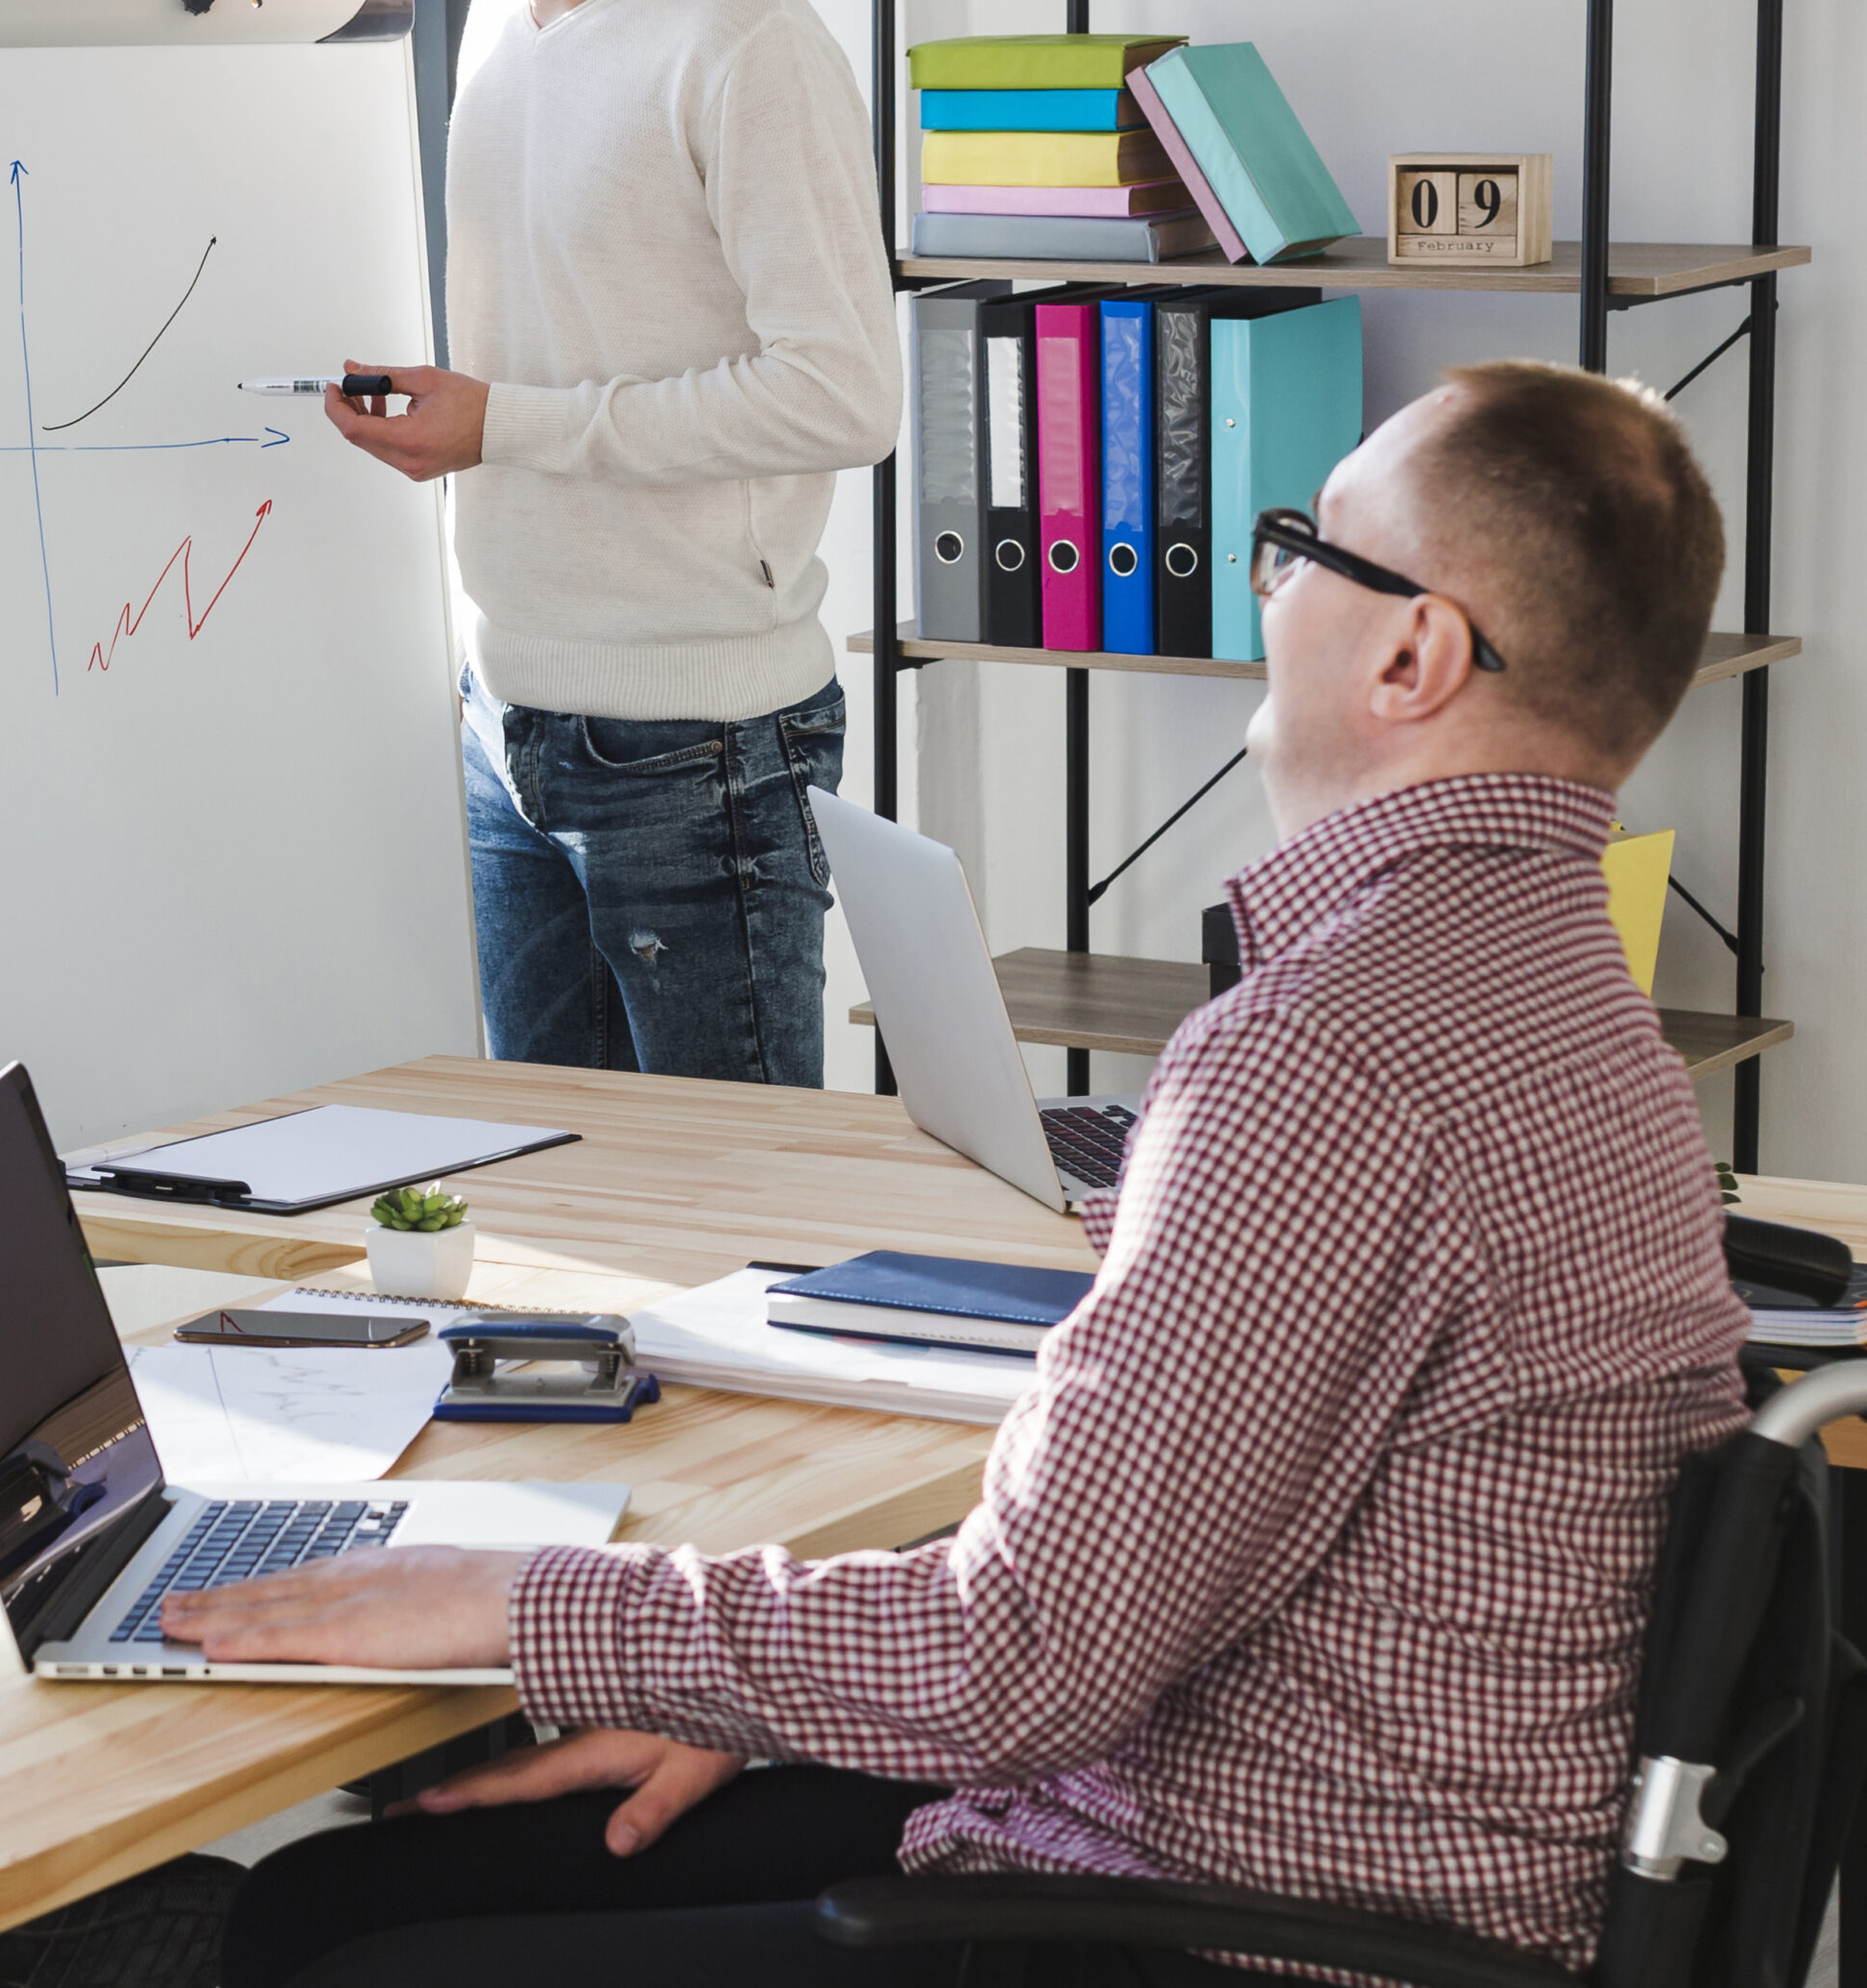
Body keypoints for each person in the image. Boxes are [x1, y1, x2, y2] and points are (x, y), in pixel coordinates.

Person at [165, 362, 1752, 1988]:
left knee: (346, 1958)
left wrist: (519, 1599)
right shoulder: (1567, 1000)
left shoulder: (1329, 1054)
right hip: (1239, 1828)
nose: (1267, 593)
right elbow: (1138, 1574)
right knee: (343, 1900)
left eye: (1301, 548)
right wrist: (752, 1695)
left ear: (1413, 654)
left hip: (1247, 1931)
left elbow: (1023, 1659)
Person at [315, 0, 899, 1089]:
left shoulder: (743, 40)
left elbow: (844, 394)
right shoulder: (495, 14)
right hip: (504, 721)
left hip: (698, 749)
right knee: (555, 1207)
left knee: (737, 1215)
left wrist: (503, 424)